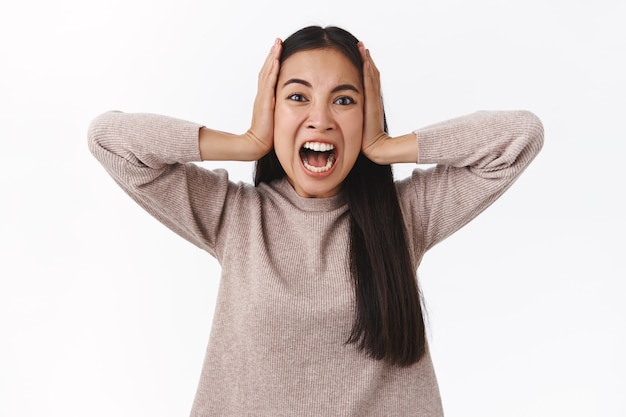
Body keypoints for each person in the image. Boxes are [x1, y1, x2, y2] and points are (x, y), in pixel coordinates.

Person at [88, 25, 543, 417]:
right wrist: (247, 142)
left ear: (366, 115)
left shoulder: (405, 216)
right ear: (271, 109)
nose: (320, 119)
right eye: (297, 97)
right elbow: (109, 138)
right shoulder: (234, 216)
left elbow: (520, 135)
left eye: (344, 100)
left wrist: (386, 144)